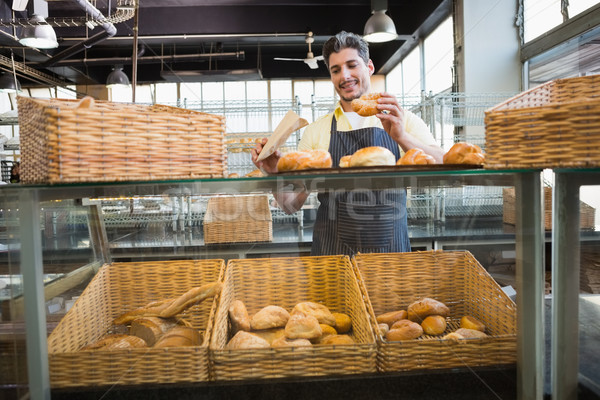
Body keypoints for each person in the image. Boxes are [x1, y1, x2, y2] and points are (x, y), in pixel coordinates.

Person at [252, 31, 444, 256]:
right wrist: (275, 173)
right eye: (336, 70)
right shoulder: (316, 131)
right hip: (332, 257)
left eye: (352, 65)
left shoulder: (401, 119)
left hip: (390, 256)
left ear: (369, 67)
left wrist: (401, 136)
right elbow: (289, 205)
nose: (345, 76)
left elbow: (442, 164)